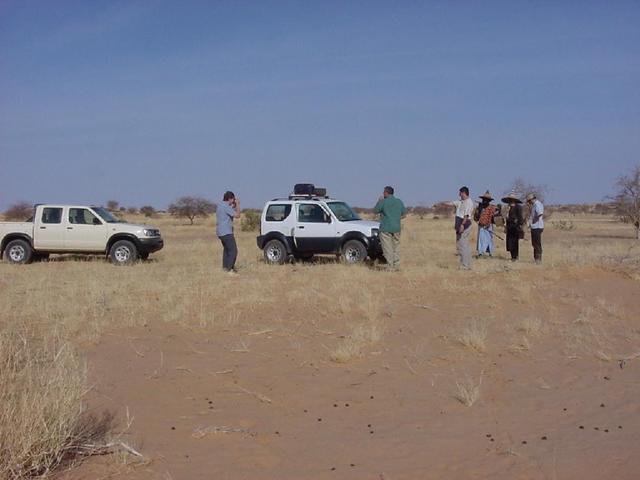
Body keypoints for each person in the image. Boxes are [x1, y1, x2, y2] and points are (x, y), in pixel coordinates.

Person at [374, 186, 406, 271]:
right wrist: (396, 218)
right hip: (396, 228)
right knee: (396, 247)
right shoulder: (399, 202)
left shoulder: (383, 202)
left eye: (383, 192)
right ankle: (397, 265)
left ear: (386, 193)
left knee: (387, 247)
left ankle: (390, 266)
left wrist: (379, 201)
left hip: (385, 228)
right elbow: (404, 214)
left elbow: (375, 210)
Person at [216, 191, 241, 274]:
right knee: (233, 251)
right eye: (233, 199)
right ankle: (230, 269)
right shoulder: (226, 207)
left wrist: (233, 205)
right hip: (227, 232)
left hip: (220, 232)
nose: (233, 201)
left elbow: (229, 211)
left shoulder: (220, 205)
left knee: (227, 250)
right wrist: (237, 204)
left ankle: (225, 268)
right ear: (230, 199)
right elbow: (237, 215)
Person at [450, 186, 475, 270]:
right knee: (465, 245)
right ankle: (468, 264)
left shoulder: (469, 203)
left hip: (464, 225)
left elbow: (466, 216)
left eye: (460, 193)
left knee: (462, 245)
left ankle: (465, 265)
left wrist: (462, 225)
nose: (459, 194)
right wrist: (440, 203)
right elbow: (451, 203)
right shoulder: (461, 202)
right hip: (461, 225)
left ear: (464, 193)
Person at [501, 192, 524, 262]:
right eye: (510, 200)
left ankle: (515, 257)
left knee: (514, 243)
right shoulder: (508, 208)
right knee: (509, 243)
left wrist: (518, 224)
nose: (510, 201)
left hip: (515, 228)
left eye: (511, 200)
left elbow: (520, 218)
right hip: (509, 227)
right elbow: (506, 217)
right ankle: (512, 257)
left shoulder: (518, 207)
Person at [474, 190, 497, 258]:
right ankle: (480, 253)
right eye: (484, 199)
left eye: (486, 200)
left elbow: (491, 216)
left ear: (489, 201)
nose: (485, 201)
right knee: (481, 239)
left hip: (488, 226)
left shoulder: (491, 208)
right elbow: (476, 217)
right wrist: (478, 211)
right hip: (481, 225)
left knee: (489, 239)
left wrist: (488, 224)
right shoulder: (480, 207)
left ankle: (490, 253)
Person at [526, 193, 544, 264]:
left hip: (537, 226)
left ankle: (538, 259)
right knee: (534, 243)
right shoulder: (534, 205)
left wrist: (533, 221)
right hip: (534, 226)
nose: (529, 202)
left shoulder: (538, 204)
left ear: (533, 199)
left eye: (529, 201)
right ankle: (536, 258)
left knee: (537, 243)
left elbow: (540, 214)